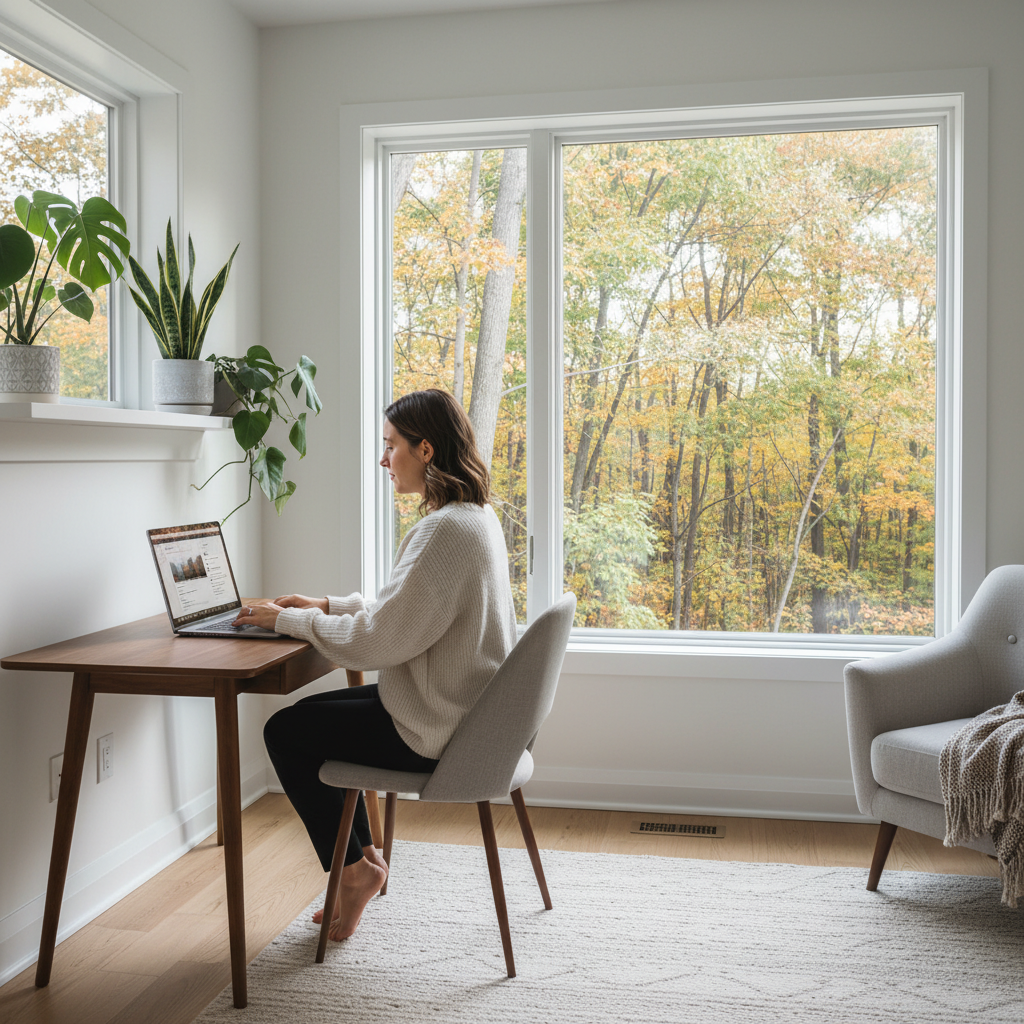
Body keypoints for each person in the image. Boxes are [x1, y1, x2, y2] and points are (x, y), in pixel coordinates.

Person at [234, 388, 518, 941]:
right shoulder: (473, 517)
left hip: (433, 726)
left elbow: (375, 644)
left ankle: (357, 869)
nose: (384, 460)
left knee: (288, 731)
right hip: (456, 709)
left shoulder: (445, 531)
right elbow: (405, 614)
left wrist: (281, 621)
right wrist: (326, 606)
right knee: (310, 724)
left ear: (427, 450)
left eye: (391, 447)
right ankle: (362, 863)